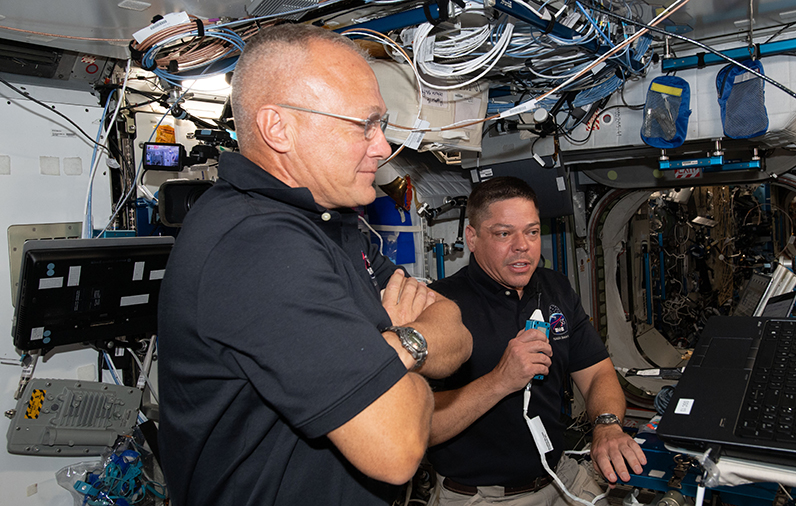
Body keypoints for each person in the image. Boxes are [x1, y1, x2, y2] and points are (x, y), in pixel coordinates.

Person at [157, 24, 472, 506]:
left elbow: (457, 333)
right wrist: (410, 344)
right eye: (363, 124)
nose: (383, 147)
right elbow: (398, 446)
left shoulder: (329, 224)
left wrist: (400, 342)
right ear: (277, 128)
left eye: (381, 125)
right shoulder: (257, 245)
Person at [427, 176, 646, 506]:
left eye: (531, 231)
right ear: (472, 238)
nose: (522, 245)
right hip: (481, 497)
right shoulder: (440, 307)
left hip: (560, 478)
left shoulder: (554, 287)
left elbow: (598, 372)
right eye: (504, 233)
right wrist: (501, 381)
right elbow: (423, 427)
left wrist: (607, 426)